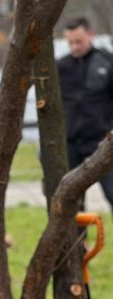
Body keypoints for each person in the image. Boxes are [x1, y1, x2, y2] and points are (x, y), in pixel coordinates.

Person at [57, 16, 113, 211]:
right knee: (72, 204)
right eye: (70, 42)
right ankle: (78, 233)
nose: (74, 47)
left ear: (91, 34)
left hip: (102, 142)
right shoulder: (61, 67)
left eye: (79, 41)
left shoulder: (107, 62)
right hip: (70, 143)